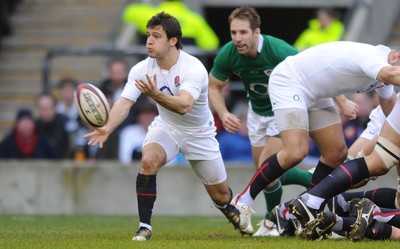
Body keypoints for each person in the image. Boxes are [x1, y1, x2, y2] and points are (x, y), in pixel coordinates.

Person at [83, 12, 251, 241]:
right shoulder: (141, 69)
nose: (149, 41)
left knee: (220, 195)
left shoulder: (193, 68)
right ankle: (144, 227)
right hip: (167, 127)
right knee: (148, 160)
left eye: (157, 36)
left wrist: (154, 95)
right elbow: (124, 103)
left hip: (199, 133)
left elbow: (184, 105)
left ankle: (228, 207)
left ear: (173, 40)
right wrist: (107, 128)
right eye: (148, 36)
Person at [230, 40, 400, 241]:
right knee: (296, 151)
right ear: (396, 57)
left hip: (316, 93)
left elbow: (389, 102)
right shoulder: (374, 58)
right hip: (290, 81)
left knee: (337, 153)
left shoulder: (386, 71)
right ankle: (244, 199)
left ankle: (306, 211)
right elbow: (390, 75)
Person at [208, 6, 338, 236]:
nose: (238, 38)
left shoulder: (279, 50)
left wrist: (341, 100)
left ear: (257, 32)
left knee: (266, 168)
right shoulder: (229, 53)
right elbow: (214, 86)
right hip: (256, 114)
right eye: (233, 32)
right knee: (265, 174)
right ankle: (308, 178)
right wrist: (224, 113)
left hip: (285, 111)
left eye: (243, 32)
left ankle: (271, 221)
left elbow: (314, 73)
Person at [121, 0, 219, 51]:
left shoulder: (151, 15)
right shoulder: (195, 19)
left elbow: (128, 12)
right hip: (185, 71)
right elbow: (211, 44)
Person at [119, 98, 158, 165]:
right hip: (132, 172)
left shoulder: (164, 133)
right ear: (138, 116)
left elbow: (171, 164)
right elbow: (125, 160)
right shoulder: (128, 133)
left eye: (150, 114)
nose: (147, 118)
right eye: (144, 114)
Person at [35, 93, 70, 158]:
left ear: (54, 108)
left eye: (48, 108)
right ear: (38, 110)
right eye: (42, 108)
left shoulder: (65, 123)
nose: (45, 112)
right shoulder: (34, 126)